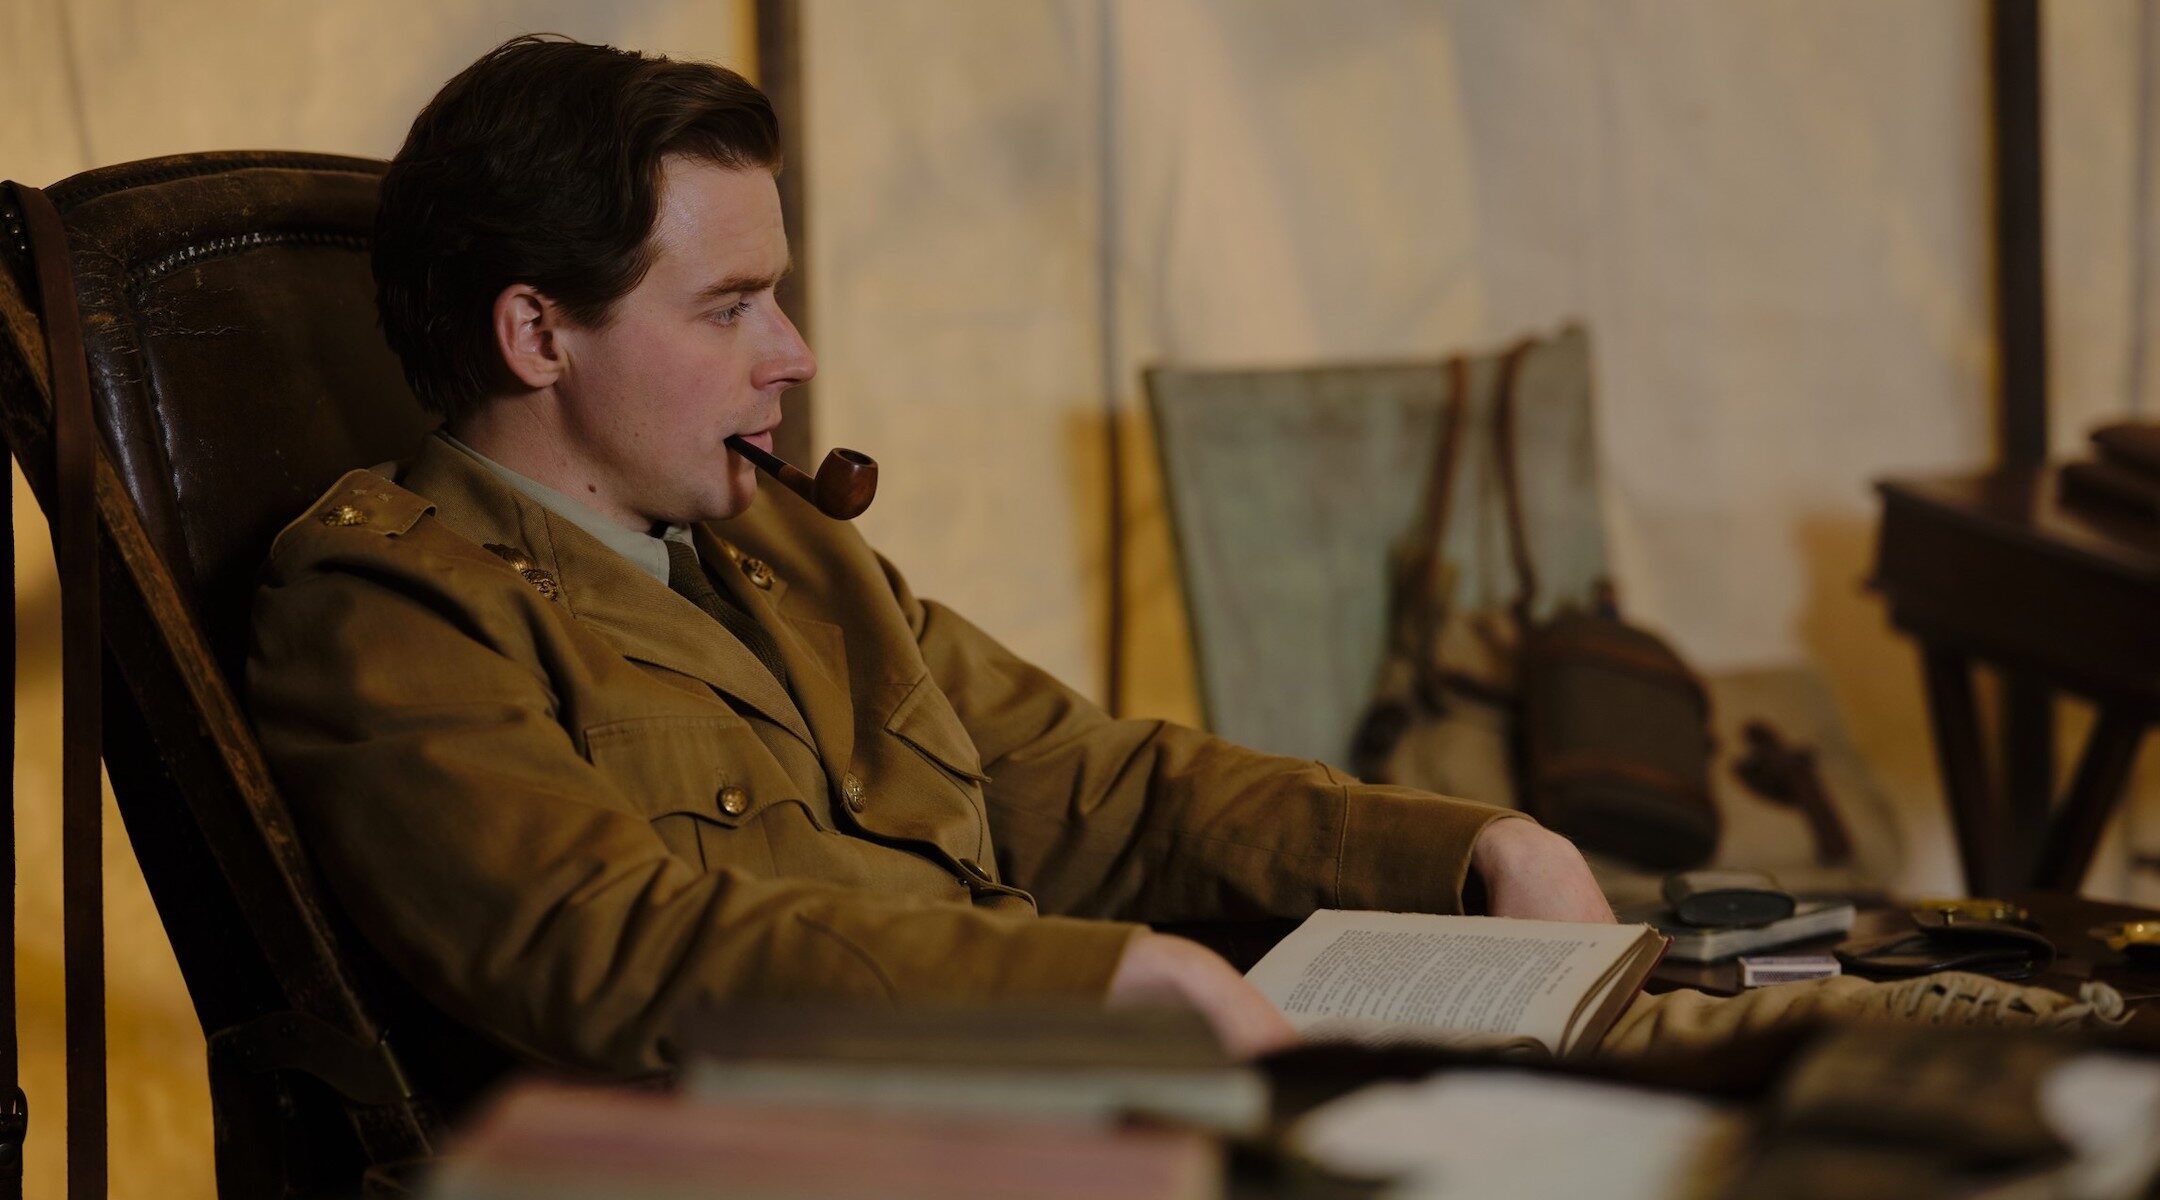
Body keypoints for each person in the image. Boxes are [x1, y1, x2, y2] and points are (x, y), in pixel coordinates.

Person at [245, 34, 1612, 1082]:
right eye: (729, 307)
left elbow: (1092, 789)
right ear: (538, 337)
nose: (793, 354)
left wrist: (1466, 849)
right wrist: (1090, 986)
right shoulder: (393, 606)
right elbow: (607, 944)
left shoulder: (786, 551)